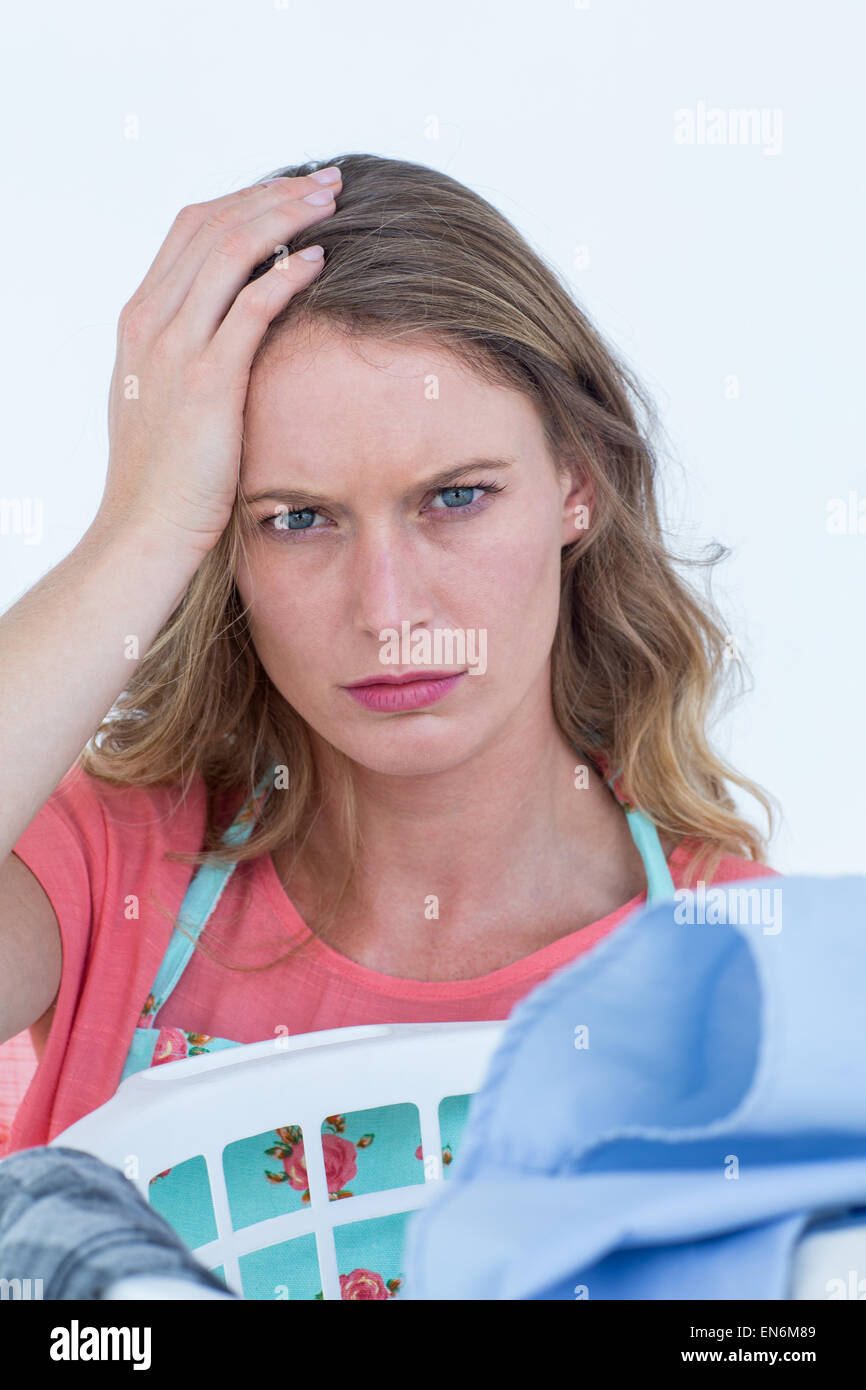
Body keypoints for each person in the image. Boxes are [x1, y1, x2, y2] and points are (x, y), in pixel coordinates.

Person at [0, 153, 780, 1299]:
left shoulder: (732, 962)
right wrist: (143, 526)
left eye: (454, 496)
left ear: (578, 481)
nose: (388, 612)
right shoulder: (110, 877)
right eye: (297, 518)